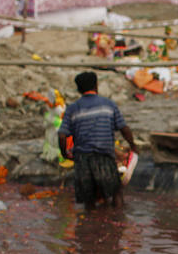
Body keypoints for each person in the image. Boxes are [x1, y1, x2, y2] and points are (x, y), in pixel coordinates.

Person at [58, 71, 137, 210]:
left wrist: (64, 154)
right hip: (104, 156)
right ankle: (119, 222)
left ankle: (90, 226)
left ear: (78, 89)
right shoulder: (108, 105)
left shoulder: (72, 109)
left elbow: (62, 136)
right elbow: (124, 128)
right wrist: (133, 145)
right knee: (116, 192)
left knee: (89, 201)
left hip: (82, 160)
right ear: (96, 86)